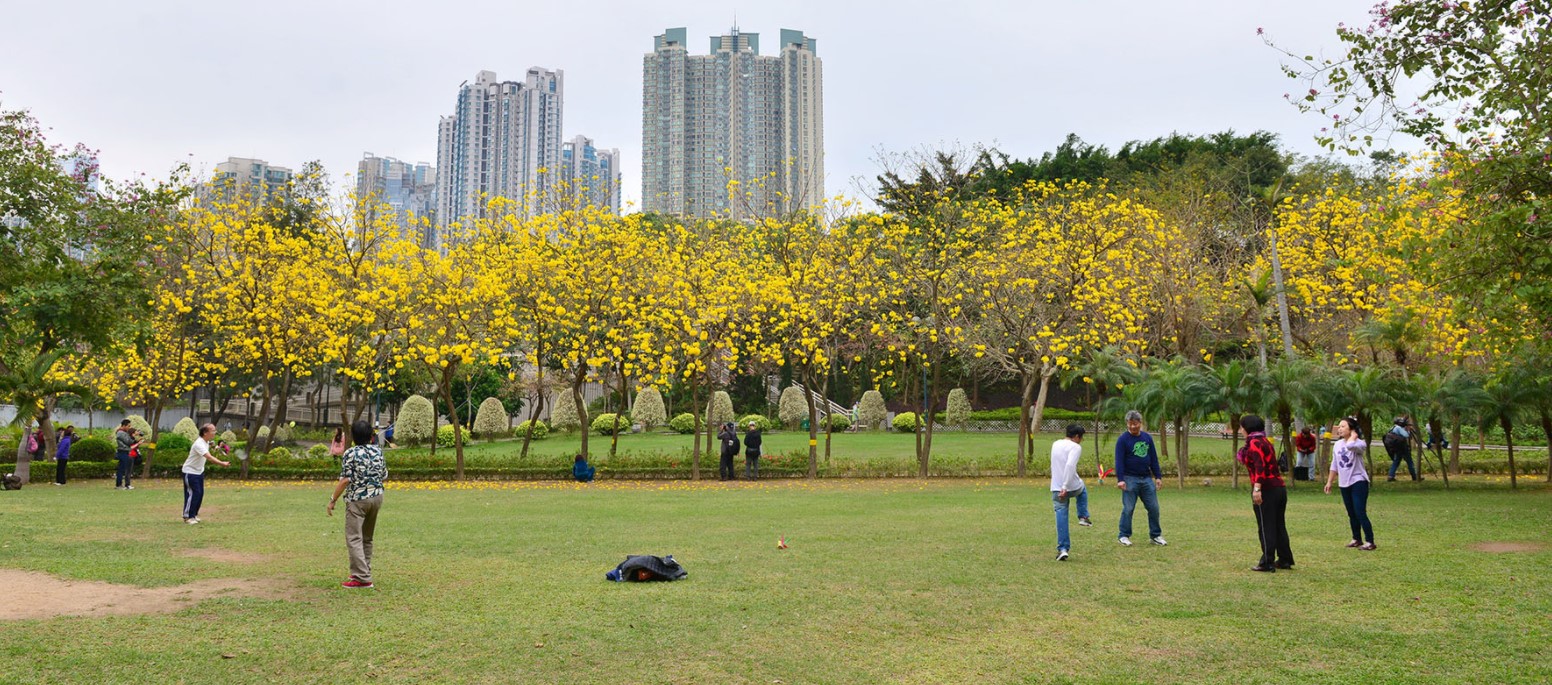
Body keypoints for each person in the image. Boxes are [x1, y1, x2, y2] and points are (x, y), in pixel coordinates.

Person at [328, 420, 388, 589]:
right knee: (367, 538)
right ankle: (364, 571)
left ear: (353, 437)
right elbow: (384, 475)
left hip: (358, 500)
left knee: (354, 538)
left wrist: (332, 499)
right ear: (371, 436)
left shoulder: (351, 453)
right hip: (377, 497)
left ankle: (361, 577)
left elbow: (346, 479)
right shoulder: (378, 451)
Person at [1238, 415, 1294, 572]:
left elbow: (1260, 467)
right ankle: (1284, 559)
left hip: (1266, 489)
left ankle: (1267, 562)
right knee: (1278, 525)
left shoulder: (1254, 443)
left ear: (1246, 428)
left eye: (1241, 427)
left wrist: (1257, 489)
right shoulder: (1265, 441)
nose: (1240, 430)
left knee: (1265, 525)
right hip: (1279, 488)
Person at [1113, 410, 1166, 547]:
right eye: (1130, 424)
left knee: (1154, 508)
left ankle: (1155, 535)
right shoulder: (1123, 440)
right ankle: (1123, 535)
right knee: (1128, 508)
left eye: (1135, 424)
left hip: (1146, 479)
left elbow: (1153, 458)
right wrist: (1120, 479)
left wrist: (1158, 476)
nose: (1132, 427)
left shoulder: (1147, 438)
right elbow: (1119, 461)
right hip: (1130, 478)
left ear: (1140, 423)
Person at [1325, 416, 1377, 550]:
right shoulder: (1337, 444)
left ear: (1352, 429)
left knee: (1360, 511)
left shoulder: (1360, 443)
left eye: (1343, 426)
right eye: (1339, 426)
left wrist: (1353, 437)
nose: (1340, 429)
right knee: (1351, 513)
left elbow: (1350, 446)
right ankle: (1356, 539)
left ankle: (1370, 541)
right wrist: (1330, 481)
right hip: (1344, 483)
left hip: (1358, 481)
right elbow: (1334, 464)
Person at [1050, 424, 1092, 561]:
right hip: (1070, 486)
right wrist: (1065, 486)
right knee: (1082, 488)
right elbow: (1069, 465)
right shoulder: (1076, 447)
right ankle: (1083, 516)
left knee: (1061, 516)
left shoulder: (1055, 444)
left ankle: (1062, 549)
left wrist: (1061, 487)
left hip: (1056, 488)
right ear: (1076, 437)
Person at [182, 424, 231, 524]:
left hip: (199, 471)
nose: (215, 432)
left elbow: (210, 446)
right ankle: (188, 516)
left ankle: (194, 515)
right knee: (192, 493)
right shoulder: (199, 444)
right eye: (213, 430)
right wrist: (222, 463)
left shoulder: (206, 442)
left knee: (199, 493)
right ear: (205, 433)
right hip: (190, 472)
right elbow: (209, 457)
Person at [1383, 417, 1420, 481]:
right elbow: (1406, 435)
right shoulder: (1398, 428)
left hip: (1397, 448)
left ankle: (1391, 476)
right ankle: (1414, 476)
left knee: (1396, 462)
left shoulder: (1393, 427)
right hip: (1402, 448)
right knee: (1409, 462)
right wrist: (1407, 430)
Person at [114, 420, 139, 490]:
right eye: (128, 426)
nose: (129, 427)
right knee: (121, 469)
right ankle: (119, 485)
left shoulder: (124, 433)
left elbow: (130, 441)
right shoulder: (121, 433)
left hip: (125, 452)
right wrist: (133, 436)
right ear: (124, 425)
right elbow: (129, 442)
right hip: (122, 452)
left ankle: (120, 485)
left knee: (123, 469)